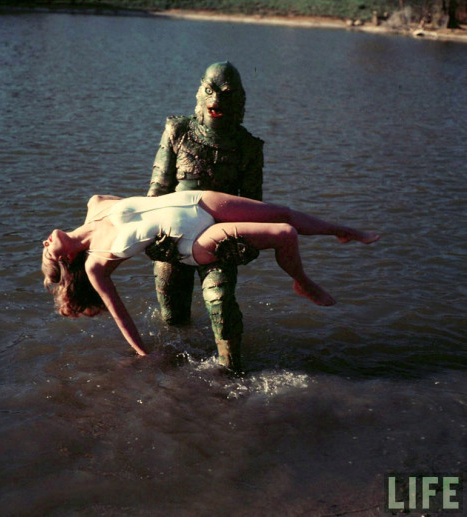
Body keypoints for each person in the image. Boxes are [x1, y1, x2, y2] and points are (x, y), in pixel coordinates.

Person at [41, 190, 379, 363]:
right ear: (68, 259)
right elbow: (120, 313)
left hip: (196, 201)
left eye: (45, 247)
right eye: (48, 255)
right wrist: (145, 355)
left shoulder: (96, 204)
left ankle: (344, 230)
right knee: (284, 232)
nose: (46, 243)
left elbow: (147, 200)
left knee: (281, 211)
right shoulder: (95, 264)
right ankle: (303, 283)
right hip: (194, 242)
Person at [147, 61, 264, 371]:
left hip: (219, 240)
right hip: (171, 236)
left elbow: (254, 207)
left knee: (220, 302)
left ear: (239, 99)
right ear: (199, 92)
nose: (216, 103)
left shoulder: (248, 147)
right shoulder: (178, 131)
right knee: (173, 318)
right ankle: (171, 373)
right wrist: (150, 233)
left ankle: (232, 370)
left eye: (226, 95)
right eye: (210, 92)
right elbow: (157, 190)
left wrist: (247, 243)